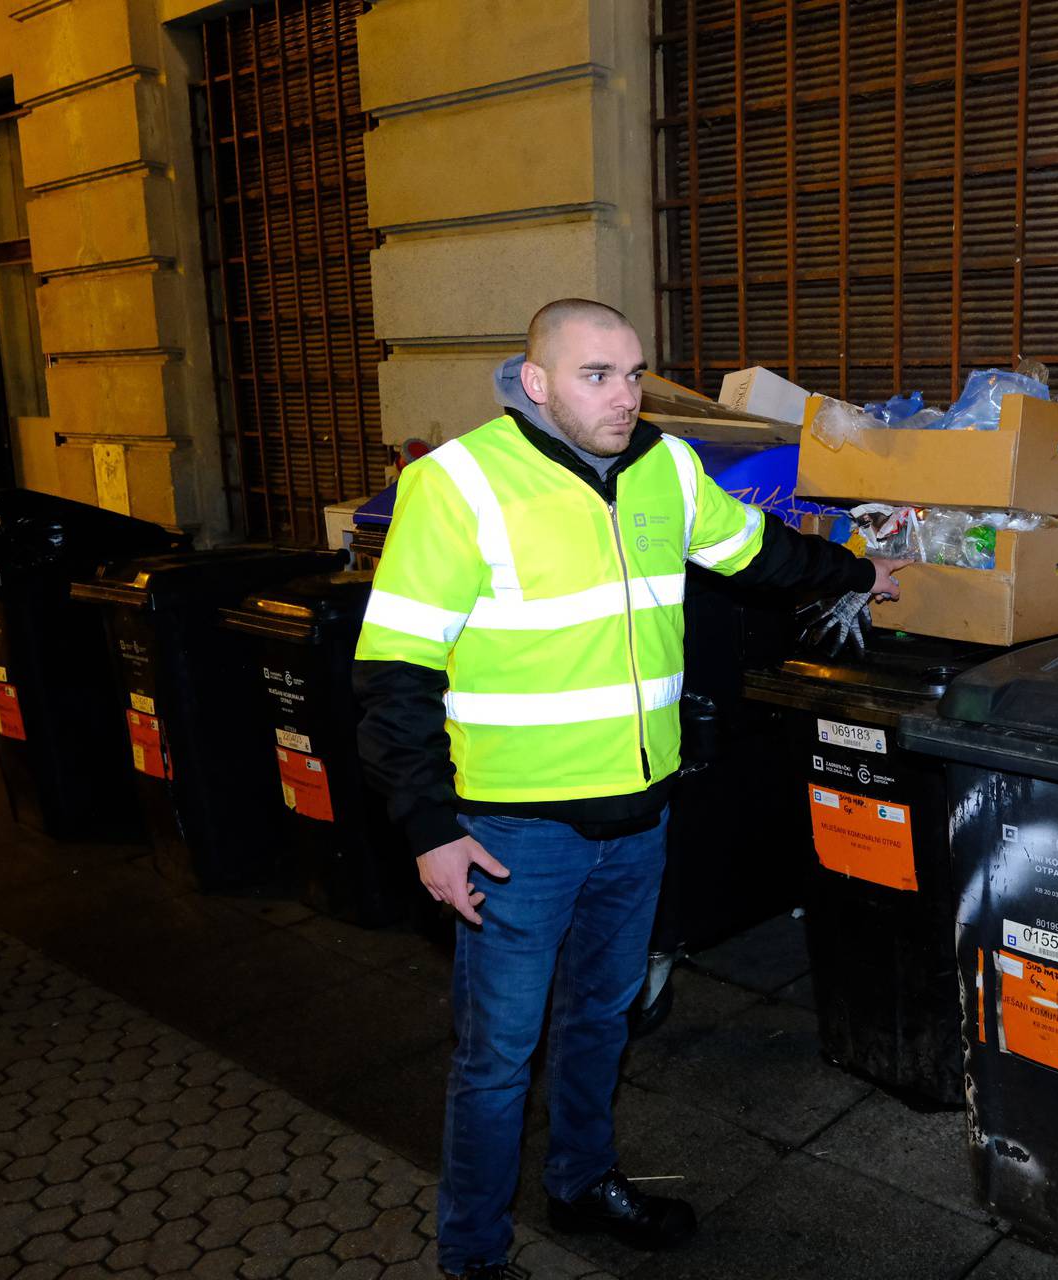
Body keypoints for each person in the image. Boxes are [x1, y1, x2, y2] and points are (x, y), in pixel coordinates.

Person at [354, 298, 904, 1280]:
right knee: (496, 1055)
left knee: (602, 1018)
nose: (625, 395)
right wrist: (429, 825)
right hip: (513, 835)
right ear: (535, 382)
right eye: (596, 375)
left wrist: (857, 568)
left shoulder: (666, 467)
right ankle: (473, 1251)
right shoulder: (460, 484)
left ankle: (580, 1179)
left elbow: (756, 552)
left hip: (639, 820)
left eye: (636, 371)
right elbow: (392, 670)